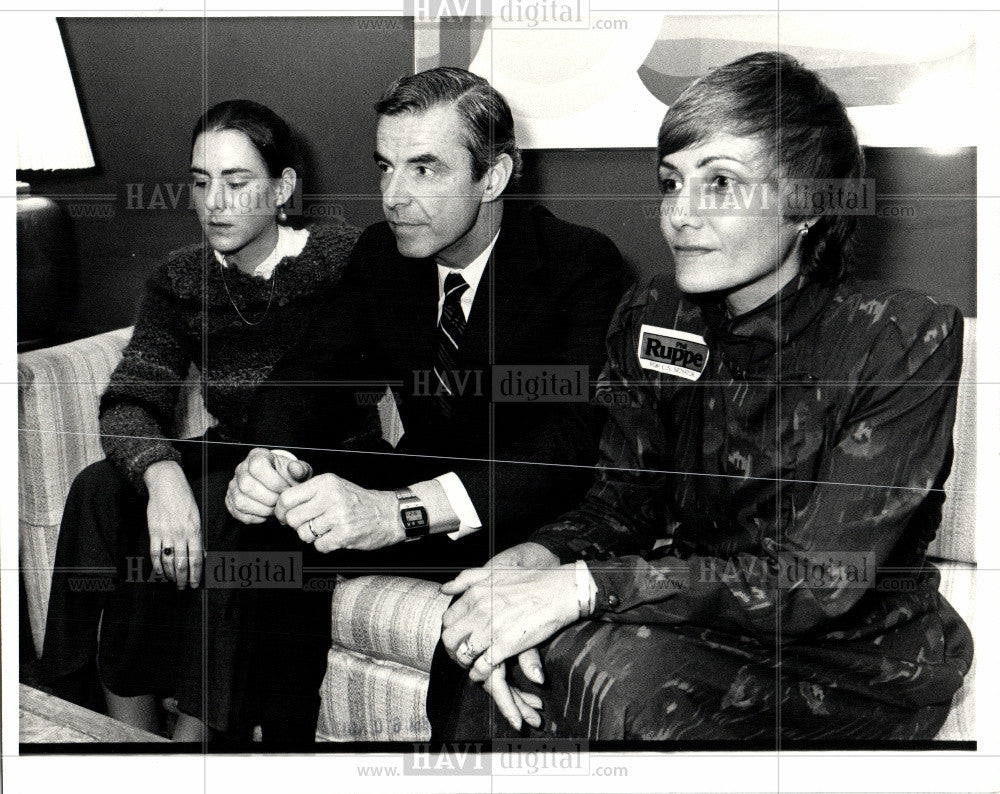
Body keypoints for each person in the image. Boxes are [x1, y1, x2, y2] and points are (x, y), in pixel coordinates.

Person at [427, 52, 974, 743]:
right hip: (700, 617)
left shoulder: (901, 338)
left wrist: (583, 587)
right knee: (481, 643)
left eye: (721, 183)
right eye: (671, 182)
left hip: (852, 656)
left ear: (808, 201)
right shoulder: (655, 311)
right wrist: (532, 564)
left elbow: (817, 582)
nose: (679, 215)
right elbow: (621, 502)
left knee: (615, 677)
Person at [225, 66, 627, 743]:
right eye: (385, 166)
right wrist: (271, 457)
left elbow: (562, 448)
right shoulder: (385, 254)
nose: (393, 196)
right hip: (424, 477)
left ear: (492, 177)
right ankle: (270, 748)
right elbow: (308, 377)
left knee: (479, 627)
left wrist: (398, 512)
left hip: (521, 512)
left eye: (425, 169)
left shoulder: (578, 265)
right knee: (273, 526)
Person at [40, 99, 360, 742]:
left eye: (237, 183)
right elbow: (131, 397)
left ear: (283, 188)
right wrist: (161, 477)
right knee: (99, 488)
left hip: (321, 456)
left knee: (220, 508)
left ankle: (197, 738)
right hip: (227, 449)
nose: (214, 202)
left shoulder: (342, 260)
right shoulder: (182, 277)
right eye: (200, 181)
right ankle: (94, 718)